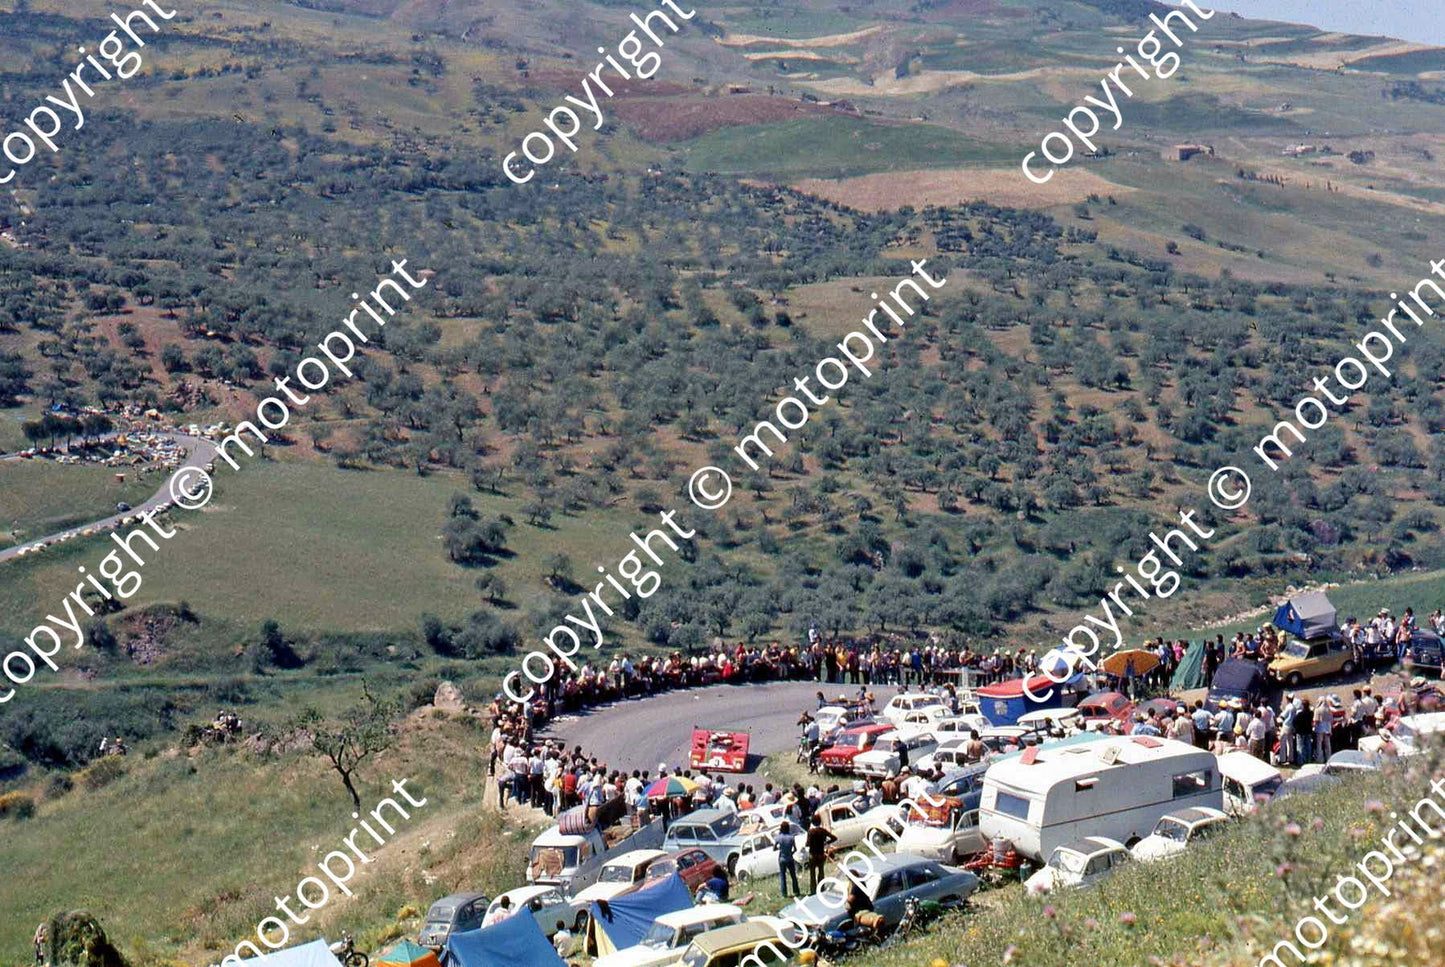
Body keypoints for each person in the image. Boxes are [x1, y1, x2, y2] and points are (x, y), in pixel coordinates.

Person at [806, 814, 837, 893]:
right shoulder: (822, 831)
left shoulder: (810, 832)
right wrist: (826, 843)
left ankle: (813, 890)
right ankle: (821, 888)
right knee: (821, 872)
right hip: (820, 854)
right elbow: (834, 838)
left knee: (812, 873)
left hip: (812, 854)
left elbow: (808, 843)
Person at [775, 820, 801, 897]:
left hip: (782, 858)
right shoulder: (791, 837)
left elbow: (774, 848)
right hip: (789, 858)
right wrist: (791, 853)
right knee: (793, 876)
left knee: (783, 876)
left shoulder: (778, 837)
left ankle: (784, 893)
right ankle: (796, 891)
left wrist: (780, 849)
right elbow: (795, 849)